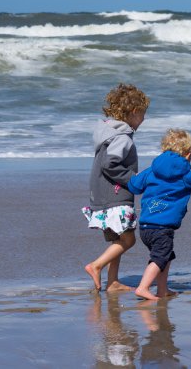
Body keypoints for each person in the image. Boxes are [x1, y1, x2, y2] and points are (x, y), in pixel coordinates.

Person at [129, 129, 191, 300]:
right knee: (160, 257)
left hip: (145, 226)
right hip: (162, 228)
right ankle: (143, 287)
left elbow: (135, 186)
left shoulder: (152, 170)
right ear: (188, 154)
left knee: (164, 256)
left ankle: (162, 289)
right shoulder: (185, 175)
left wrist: (130, 178)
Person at [83, 83, 149, 291]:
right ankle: (96, 265)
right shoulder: (122, 138)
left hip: (101, 195)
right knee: (128, 240)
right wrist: (133, 180)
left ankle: (113, 282)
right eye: (143, 115)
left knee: (118, 239)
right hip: (116, 196)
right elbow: (110, 164)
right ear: (134, 112)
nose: (144, 120)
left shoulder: (107, 133)